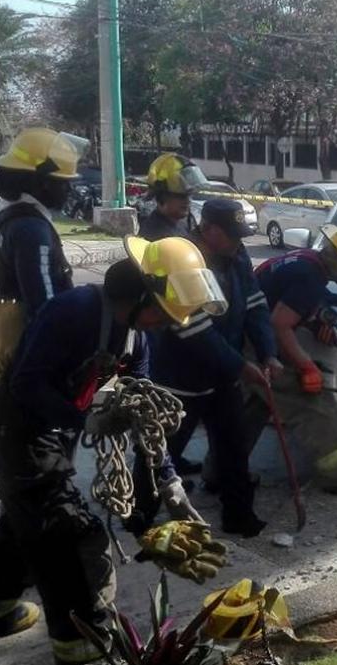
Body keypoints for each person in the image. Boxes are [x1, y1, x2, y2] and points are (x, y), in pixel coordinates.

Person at [0, 238, 228, 665]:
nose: (162, 324)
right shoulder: (74, 311)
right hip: (16, 431)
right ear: (138, 296)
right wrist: (86, 420)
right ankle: (84, 652)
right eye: (160, 312)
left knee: (25, 523)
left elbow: (145, 415)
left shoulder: (136, 340)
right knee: (67, 538)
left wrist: (168, 480)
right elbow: (26, 383)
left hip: (54, 434)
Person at [129, 198, 278, 538]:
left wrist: (268, 352)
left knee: (233, 449)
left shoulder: (236, 255)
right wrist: (240, 366)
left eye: (240, 236)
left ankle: (239, 515)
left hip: (222, 377)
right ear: (208, 229)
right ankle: (139, 515)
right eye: (231, 235)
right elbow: (193, 328)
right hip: (179, 378)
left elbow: (255, 303)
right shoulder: (183, 258)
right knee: (160, 450)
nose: (238, 243)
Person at [246, 223, 337, 494]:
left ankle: (222, 472)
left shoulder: (307, 261)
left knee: (255, 403)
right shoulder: (310, 277)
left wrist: (314, 323)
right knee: (313, 401)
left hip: (245, 337)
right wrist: (308, 367)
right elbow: (279, 324)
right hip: (256, 345)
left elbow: (283, 301)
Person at [0, 127, 91, 378]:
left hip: (3, 320)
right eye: (63, 183)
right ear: (41, 182)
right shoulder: (31, 229)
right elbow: (45, 305)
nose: (69, 190)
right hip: (24, 329)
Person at [137, 153, 205, 241]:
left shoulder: (187, 220)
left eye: (189, 195)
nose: (188, 201)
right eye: (180, 196)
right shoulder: (155, 233)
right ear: (161, 199)